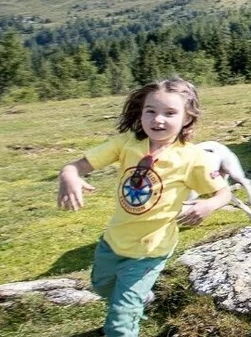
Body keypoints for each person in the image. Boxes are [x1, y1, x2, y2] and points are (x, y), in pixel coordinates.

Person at [57, 78, 231, 337]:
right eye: (151, 111)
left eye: (170, 113)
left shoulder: (193, 158)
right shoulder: (126, 144)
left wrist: (209, 205)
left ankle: (129, 309)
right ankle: (143, 298)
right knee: (101, 285)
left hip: (150, 251)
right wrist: (68, 175)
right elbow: (78, 166)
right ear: (141, 112)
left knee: (119, 322)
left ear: (187, 118)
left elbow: (224, 192)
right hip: (113, 241)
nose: (158, 120)